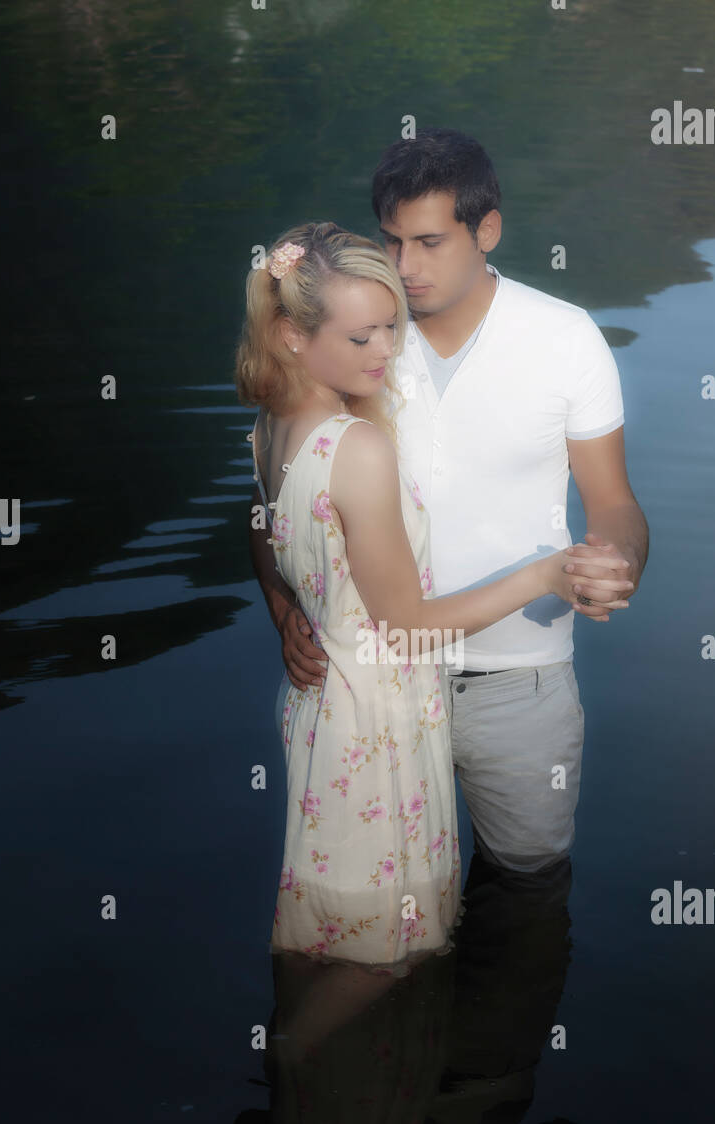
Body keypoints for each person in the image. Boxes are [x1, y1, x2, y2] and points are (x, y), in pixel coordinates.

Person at [237, 222, 629, 976]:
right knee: (393, 947)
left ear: (486, 230)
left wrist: (288, 609)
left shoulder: (273, 424)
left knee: (340, 923)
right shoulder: (358, 443)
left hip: (326, 715)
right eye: (364, 339)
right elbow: (408, 624)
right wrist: (548, 574)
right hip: (379, 721)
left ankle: (320, 1069)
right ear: (291, 336)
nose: (388, 351)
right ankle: (310, 1059)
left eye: (391, 329)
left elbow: (263, 523)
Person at [265, 129, 648, 877]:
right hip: (371, 689)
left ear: (488, 230)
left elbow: (614, 502)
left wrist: (618, 560)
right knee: (381, 910)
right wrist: (284, 613)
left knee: (528, 892)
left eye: (431, 241)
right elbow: (275, 503)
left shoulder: (566, 340)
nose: (405, 267)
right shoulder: (355, 340)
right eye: (392, 240)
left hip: (520, 686)